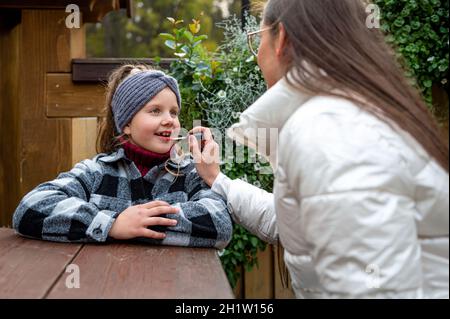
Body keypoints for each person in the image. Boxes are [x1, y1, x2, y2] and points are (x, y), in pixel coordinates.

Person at [189, 0, 449, 298]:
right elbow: (298, 221)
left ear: (281, 38)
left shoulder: (328, 130)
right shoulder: (349, 117)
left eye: (257, 39)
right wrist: (218, 181)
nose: (257, 55)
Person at [13, 65, 232, 250]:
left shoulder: (190, 173)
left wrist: (136, 226)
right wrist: (113, 225)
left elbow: (220, 223)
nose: (170, 120)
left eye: (173, 112)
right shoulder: (95, 172)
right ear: (126, 124)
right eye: (155, 111)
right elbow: (31, 208)